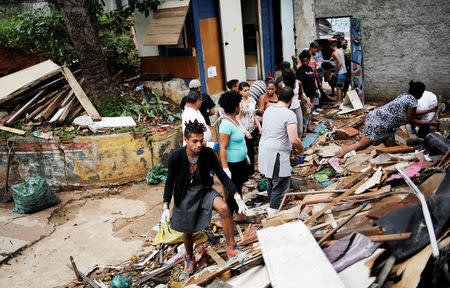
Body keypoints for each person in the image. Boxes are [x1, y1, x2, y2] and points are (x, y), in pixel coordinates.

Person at [161, 120, 245, 274]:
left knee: (225, 208)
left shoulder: (207, 154)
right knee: (187, 226)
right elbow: (169, 182)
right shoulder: (176, 156)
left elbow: (221, 175)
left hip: (204, 190)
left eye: (201, 140)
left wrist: (236, 194)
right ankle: (189, 257)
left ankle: (231, 247)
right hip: (184, 194)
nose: (199, 144)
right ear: (186, 140)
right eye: (195, 141)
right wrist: (166, 206)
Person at [333, 81, 439, 159]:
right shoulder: (413, 101)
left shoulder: (405, 96)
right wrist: (430, 123)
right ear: (418, 92)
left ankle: (398, 160)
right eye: (422, 92)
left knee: (391, 144)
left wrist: (429, 110)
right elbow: (411, 120)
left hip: (383, 123)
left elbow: (411, 114)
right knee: (361, 145)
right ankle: (336, 158)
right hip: (379, 123)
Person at [258, 87, 304, 216]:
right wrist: (301, 149)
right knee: (280, 184)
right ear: (291, 99)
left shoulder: (268, 110)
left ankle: (272, 209)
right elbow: (294, 139)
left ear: (278, 96)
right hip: (277, 154)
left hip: (265, 150)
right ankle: (272, 216)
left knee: (271, 182)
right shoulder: (289, 114)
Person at [218, 91, 250, 222]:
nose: (240, 106)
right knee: (233, 193)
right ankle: (228, 219)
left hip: (240, 162)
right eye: (239, 104)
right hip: (232, 164)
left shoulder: (235, 120)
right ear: (234, 106)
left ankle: (240, 215)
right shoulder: (226, 124)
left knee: (238, 188)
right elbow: (222, 147)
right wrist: (225, 168)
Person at [236, 82, 262, 176]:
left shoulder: (252, 100)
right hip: (243, 129)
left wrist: (259, 126)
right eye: (245, 90)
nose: (247, 92)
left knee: (251, 150)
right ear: (240, 91)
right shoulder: (239, 103)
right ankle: (244, 173)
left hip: (252, 128)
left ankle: (251, 172)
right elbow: (237, 118)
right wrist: (245, 131)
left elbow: (254, 115)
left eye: (248, 90)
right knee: (244, 151)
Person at [282, 68, 313, 137]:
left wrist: (307, 101)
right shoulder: (281, 85)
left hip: (296, 107)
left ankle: (298, 142)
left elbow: (301, 95)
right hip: (286, 109)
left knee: (299, 129)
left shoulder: (298, 83)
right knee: (287, 128)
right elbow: (279, 97)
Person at [296, 50, 318, 131]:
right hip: (305, 95)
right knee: (307, 111)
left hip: (312, 93)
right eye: (303, 61)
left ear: (309, 60)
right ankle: (305, 127)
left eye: (307, 61)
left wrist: (316, 88)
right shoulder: (300, 71)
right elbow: (299, 83)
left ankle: (307, 125)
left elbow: (313, 79)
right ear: (301, 61)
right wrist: (302, 95)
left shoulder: (310, 69)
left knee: (310, 111)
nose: (305, 62)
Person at [330, 40, 347, 107]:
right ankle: (341, 100)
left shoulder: (335, 53)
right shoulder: (341, 51)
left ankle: (339, 102)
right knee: (341, 87)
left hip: (340, 72)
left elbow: (340, 63)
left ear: (331, 46)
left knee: (339, 88)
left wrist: (336, 72)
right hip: (344, 71)